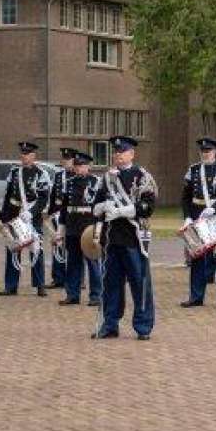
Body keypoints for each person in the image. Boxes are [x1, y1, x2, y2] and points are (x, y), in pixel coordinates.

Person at [91, 136, 158, 340]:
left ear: (131, 153)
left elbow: (148, 207)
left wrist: (122, 211)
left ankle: (143, 326)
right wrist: (104, 207)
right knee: (111, 284)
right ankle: (110, 324)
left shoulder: (143, 176)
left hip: (134, 238)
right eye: (116, 152)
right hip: (112, 239)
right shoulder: (107, 178)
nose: (118, 155)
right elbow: (95, 207)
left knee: (140, 283)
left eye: (122, 151)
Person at [180, 137, 216, 309]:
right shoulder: (193, 170)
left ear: (215, 152)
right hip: (199, 216)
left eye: (209, 151)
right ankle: (196, 297)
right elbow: (186, 197)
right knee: (197, 258)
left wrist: (214, 208)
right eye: (203, 151)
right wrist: (188, 216)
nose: (205, 154)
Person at [0, 141, 52, 298]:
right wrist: (5, 217)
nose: (24, 156)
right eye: (22, 153)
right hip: (15, 214)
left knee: (36, 251)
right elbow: (8, 196)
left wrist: (33, 212)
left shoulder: (42, 174)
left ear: (33, 156)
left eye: (27, 154)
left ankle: (40, 284)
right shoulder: (14, 173)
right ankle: (11, 285)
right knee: (13, 249)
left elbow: (43, 198)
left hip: (32, 218)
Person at [57, 151, 103, 307]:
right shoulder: (69, 182)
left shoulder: (96, 182)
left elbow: (100, 206)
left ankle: (96, 295)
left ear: (88, 166)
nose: (78, 169)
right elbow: (64, 207)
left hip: (88, 224)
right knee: (73, 262)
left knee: (92, 260)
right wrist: (61, 229)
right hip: (72, 224)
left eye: (81, 166)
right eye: (76, 166)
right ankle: (73, 294)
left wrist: (98, 227)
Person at [45, 148, 77, 289]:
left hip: (72, 215)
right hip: (57, 214)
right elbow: (53, 195)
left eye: (68, 159)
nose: (65, 162)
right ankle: (58, 278)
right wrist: (50, 212)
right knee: (57, 246)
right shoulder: (58, 176)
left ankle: (75, 279)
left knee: (72, 248)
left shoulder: (77, 175)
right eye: (64, 159)